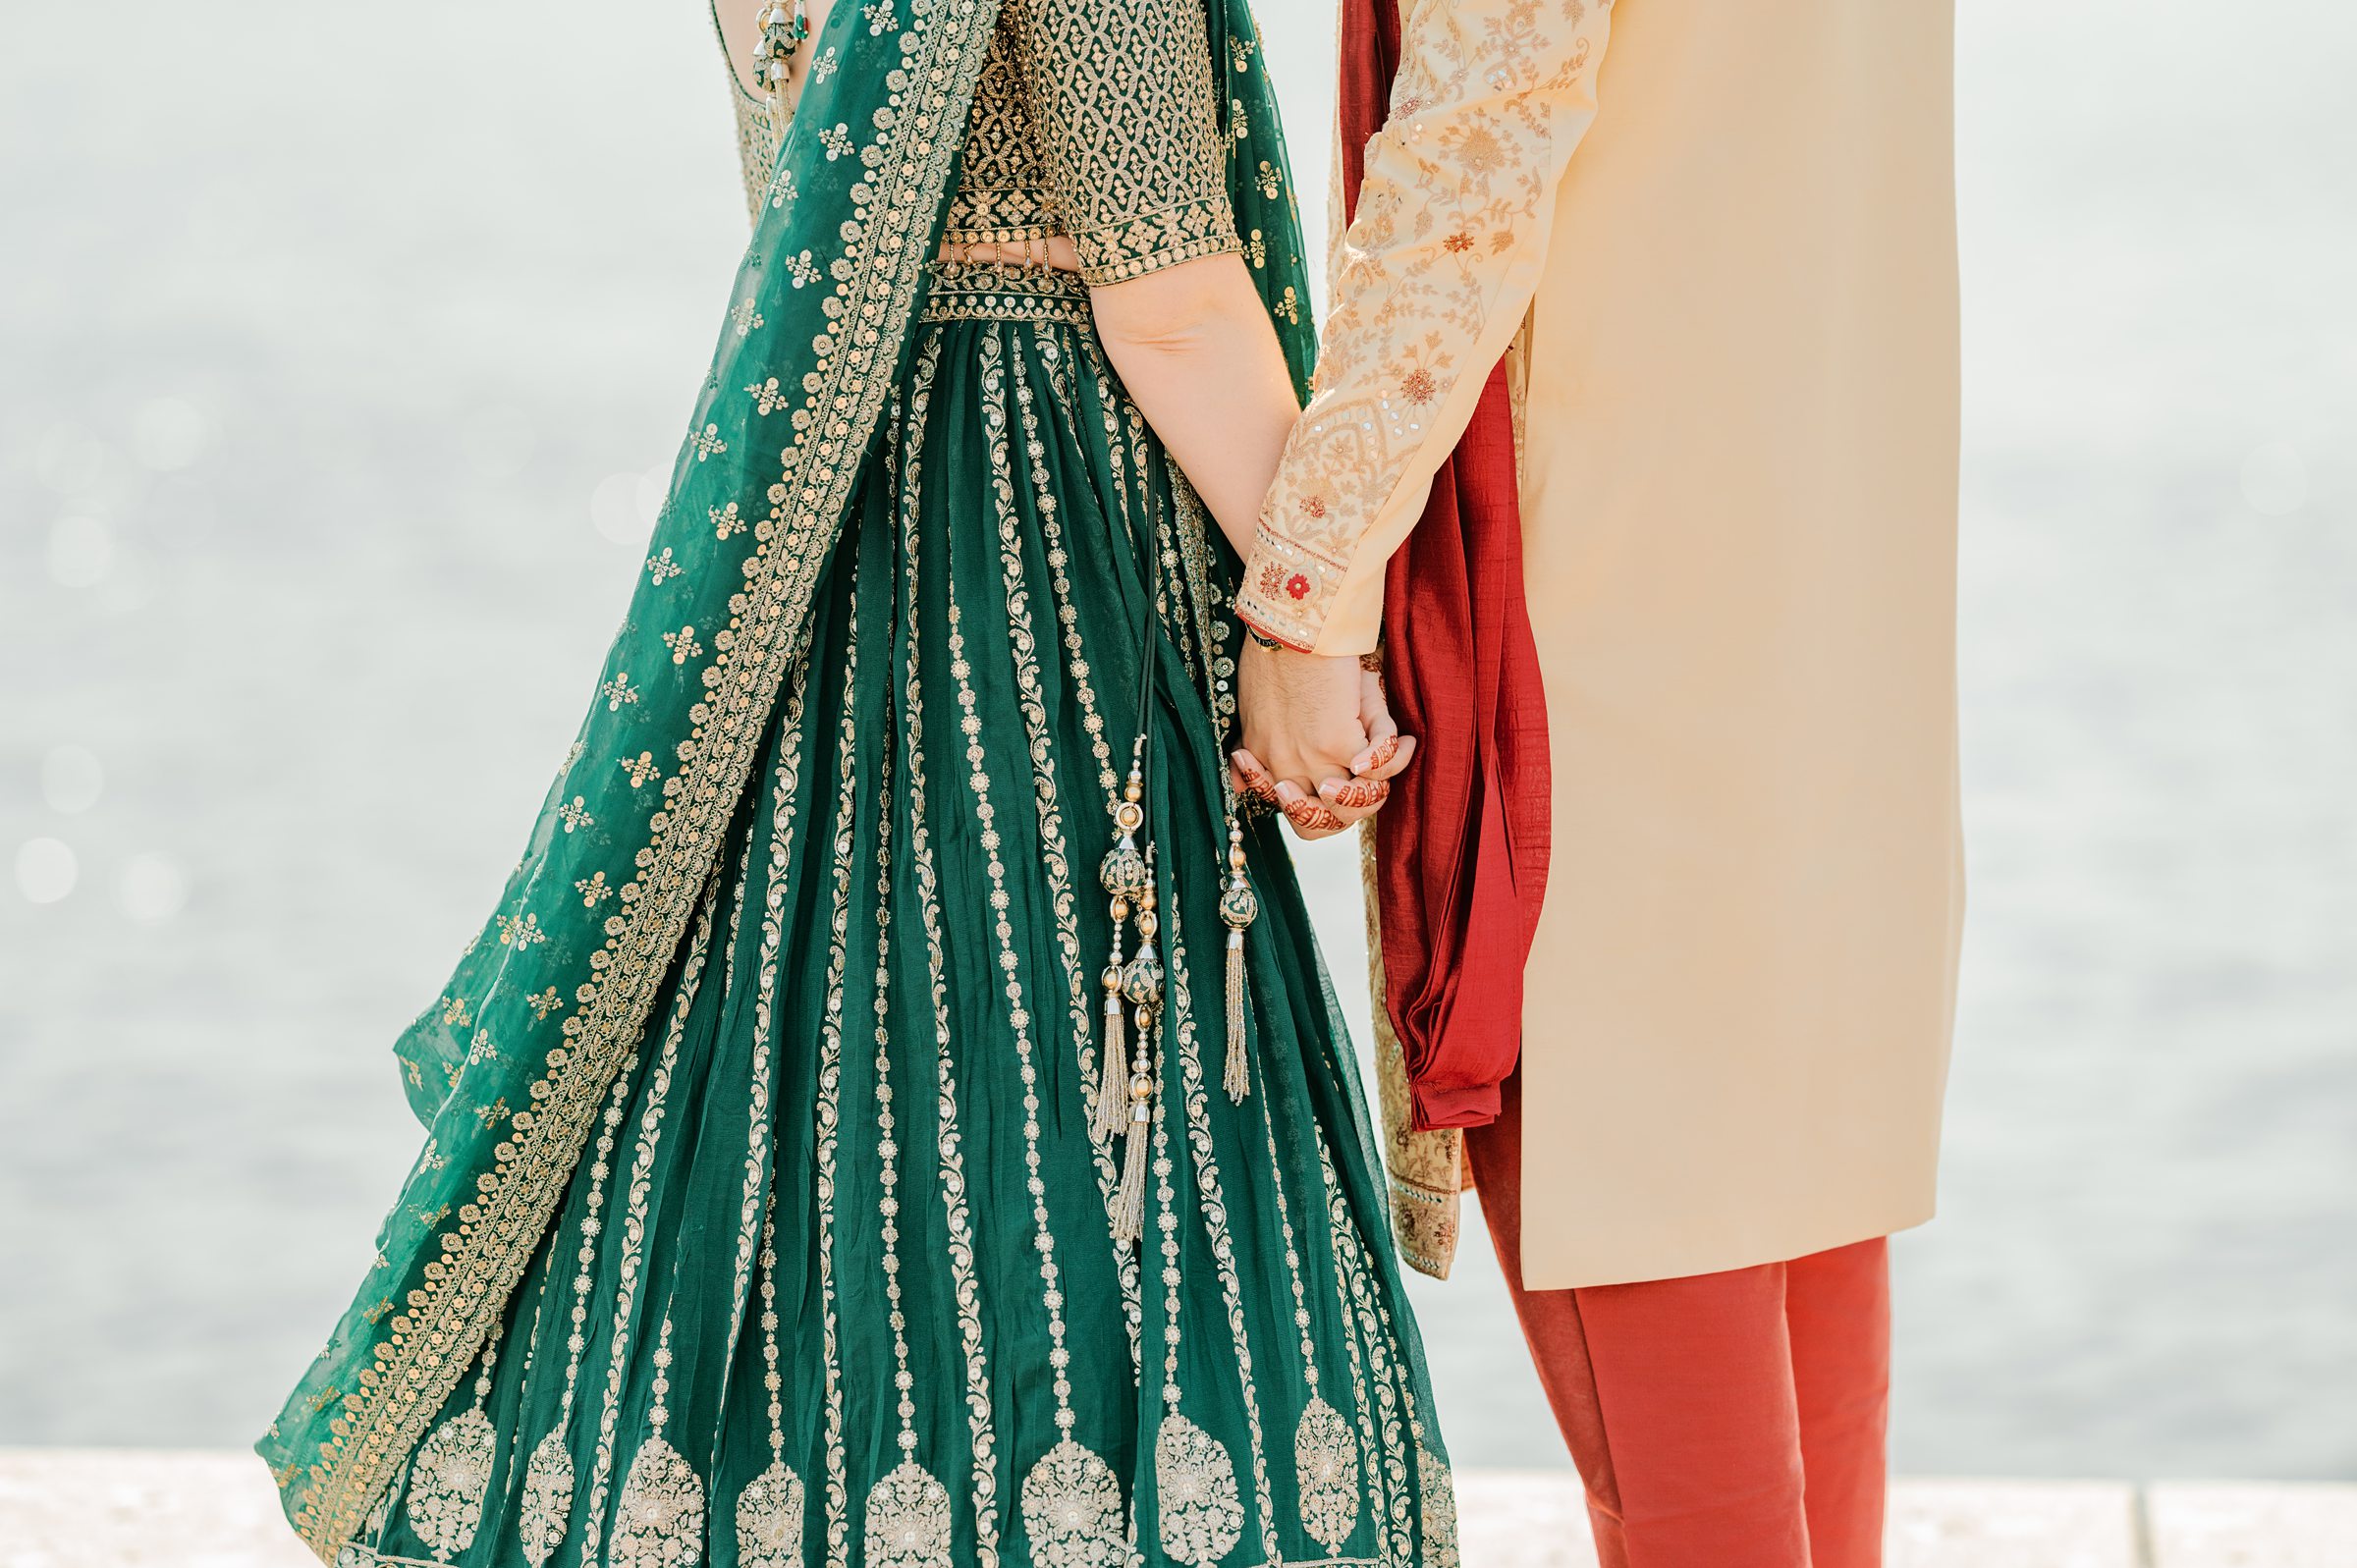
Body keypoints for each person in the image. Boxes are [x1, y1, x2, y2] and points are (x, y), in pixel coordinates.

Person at [255, 2, 1458, 1564]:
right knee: (1081, 1160)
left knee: (824, 1116)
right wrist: (1323, 610)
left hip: (821, 547)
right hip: (1043, 555)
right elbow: (1166, 297)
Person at [1233, 2, 1964, 1565]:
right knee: (1793, 1224)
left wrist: (1311, 582)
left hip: (1613, 643)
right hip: (1829, 622)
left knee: (1671, 1286)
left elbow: (1471, 160)